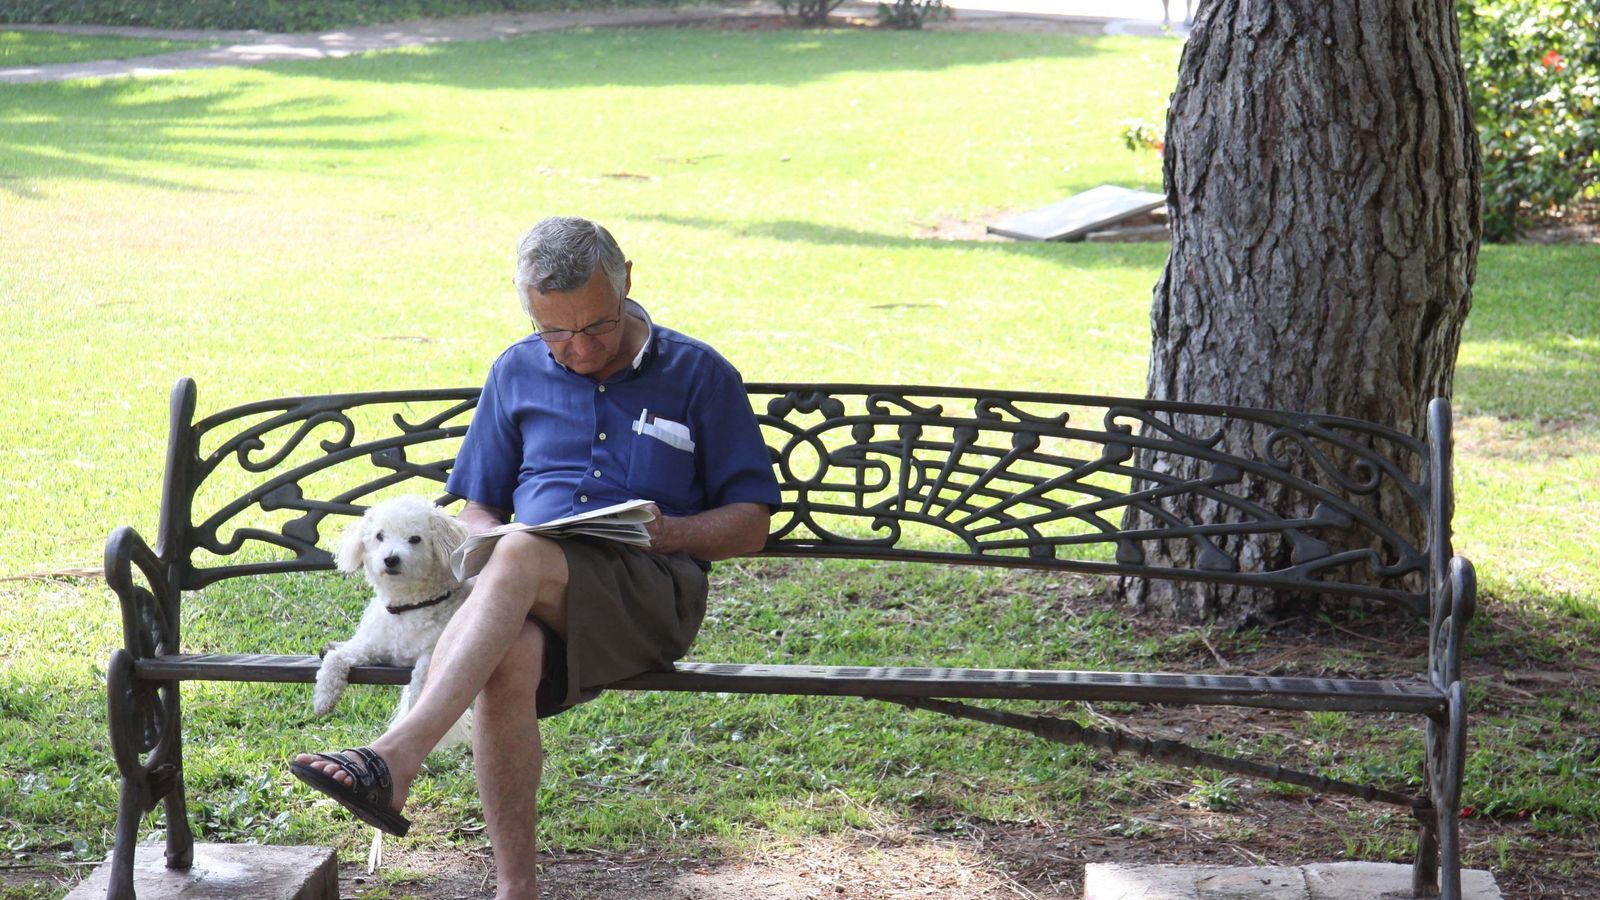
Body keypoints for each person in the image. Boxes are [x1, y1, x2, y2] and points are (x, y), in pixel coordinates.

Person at [291, 216, 780, 900]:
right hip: (535, 594)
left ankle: (395, 758)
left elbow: (751, 522)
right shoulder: (516, 370)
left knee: (521, 550)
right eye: (556, 331)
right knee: (510, 648)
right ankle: (516, 889)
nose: (579, 348)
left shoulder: (698, 374)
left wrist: (669, 532)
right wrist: (487, 543)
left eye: (597, 326)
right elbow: (479, 509)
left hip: (650, 592)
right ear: (529, 311)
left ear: (627, 282)